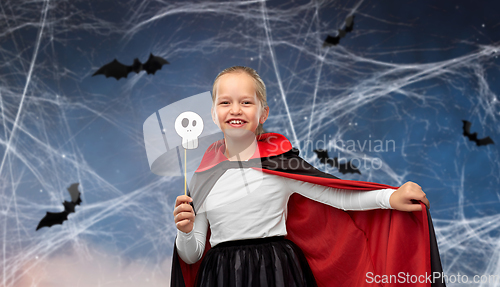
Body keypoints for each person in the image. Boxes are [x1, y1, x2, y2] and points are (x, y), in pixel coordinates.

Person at [171, 66, 443, 287]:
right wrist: (184, 233)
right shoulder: (201, 178)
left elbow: (337, 195)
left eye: (246, 102)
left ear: (263, 112)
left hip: (276, 271)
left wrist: (390, 197)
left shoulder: (282, 164)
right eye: (225, 102)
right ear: (214, 115)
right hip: (221, 276)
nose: (235, 109)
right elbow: (192, 254)